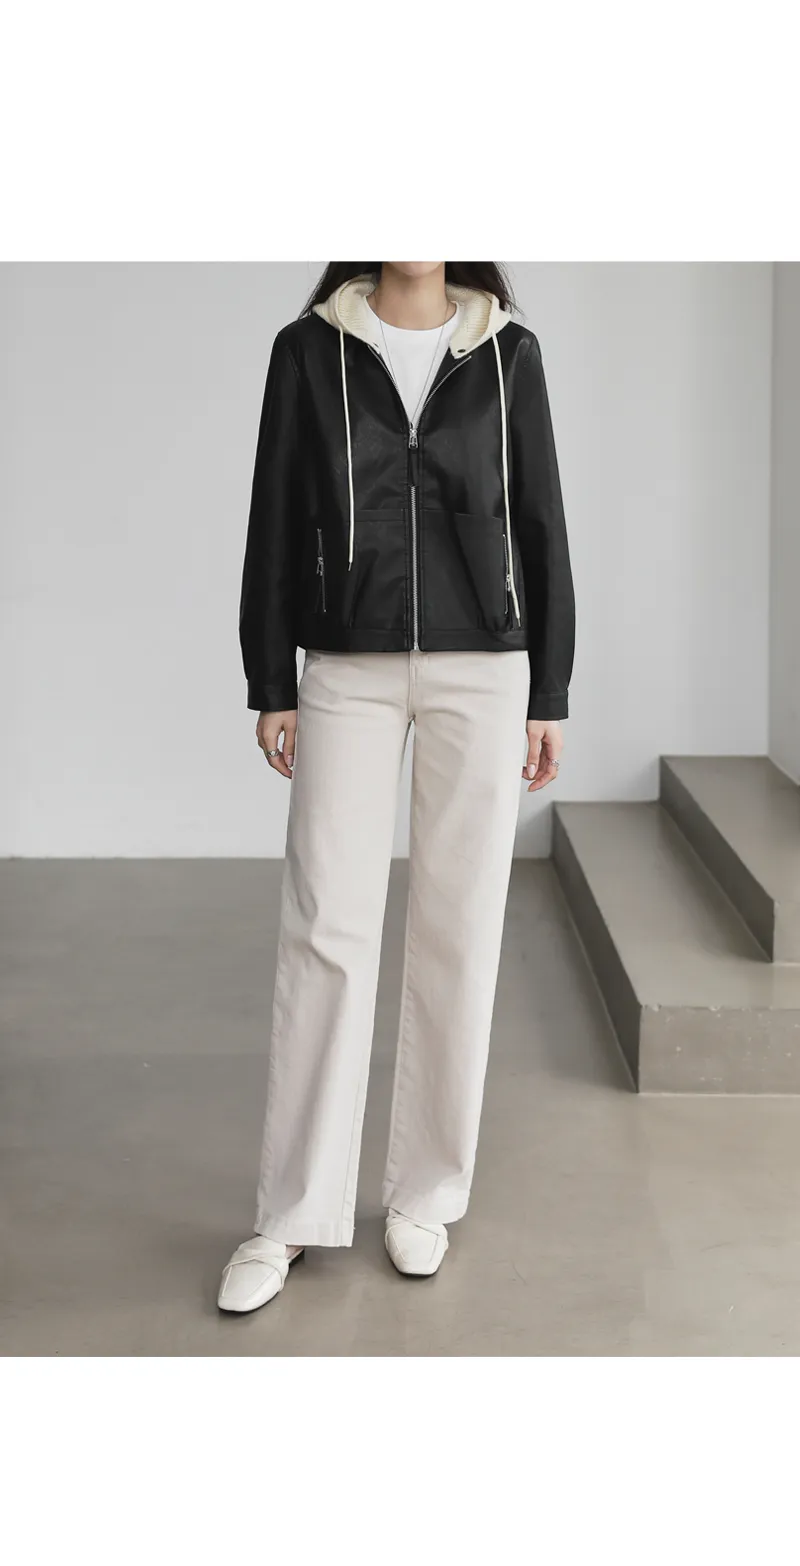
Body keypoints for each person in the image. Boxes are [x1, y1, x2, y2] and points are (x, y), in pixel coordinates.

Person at [218, 262, 575, 1313]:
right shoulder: (307, 351)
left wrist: (548, 689)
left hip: (485, 665)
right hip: (346, 661)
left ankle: (425, 1194)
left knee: (459, 928)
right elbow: (275, 514)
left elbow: (541, 520)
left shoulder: (507, 353)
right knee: (326, 927)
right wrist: (269, 677)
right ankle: (290, 1214)